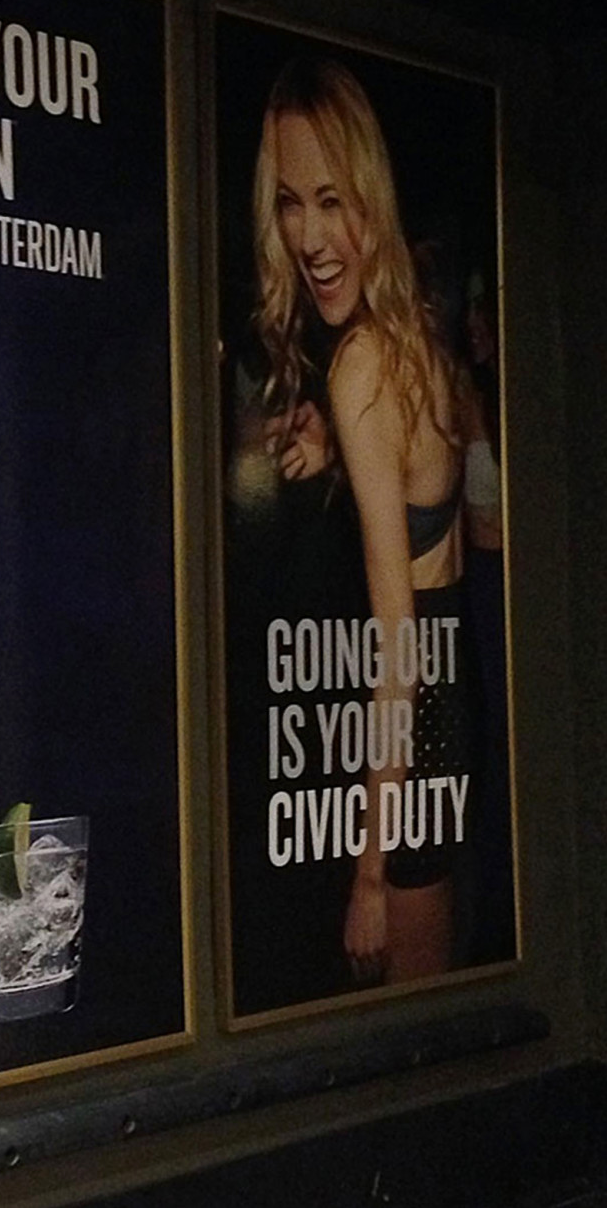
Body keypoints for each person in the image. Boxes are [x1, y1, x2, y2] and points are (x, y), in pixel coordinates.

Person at [251, 57, 467, 986]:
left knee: (405, 1021)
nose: (309, 237)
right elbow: (459, 519)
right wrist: (340, 451)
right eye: (290, 204)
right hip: (448, 722)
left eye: (332, 201)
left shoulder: (361, 365)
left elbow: (396, 644)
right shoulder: (416, 345)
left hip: (405, 742)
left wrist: (370, 870)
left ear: (371, 197)